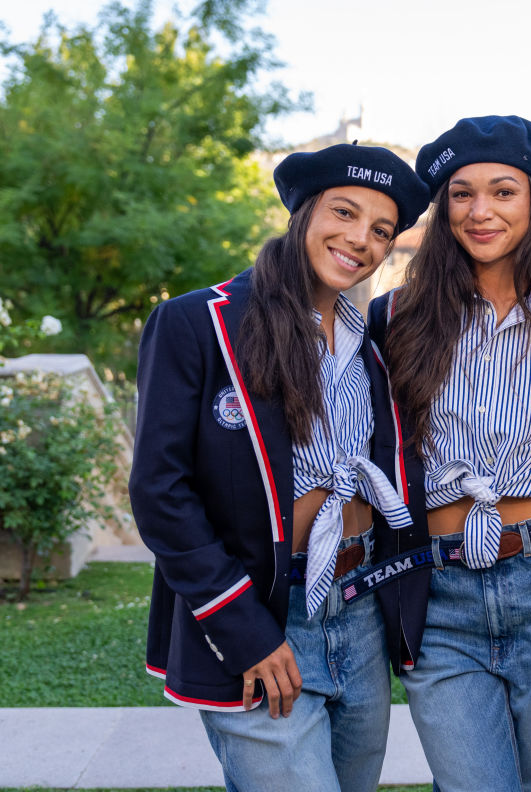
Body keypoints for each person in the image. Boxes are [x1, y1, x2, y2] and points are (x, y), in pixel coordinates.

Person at [128, 143, 429, 792]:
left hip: (357, 613)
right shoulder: (197, 324)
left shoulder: (369, 346)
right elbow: (159, 492)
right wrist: (244, 630)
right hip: (262, 613)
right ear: (301, 214)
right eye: (344, 213)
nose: (360, 239)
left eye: (381, 231)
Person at [363, 115, 531, 792]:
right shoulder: (393, 321)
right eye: (461, 194)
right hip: (438, 595)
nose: (480, 211)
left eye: (502, 191)